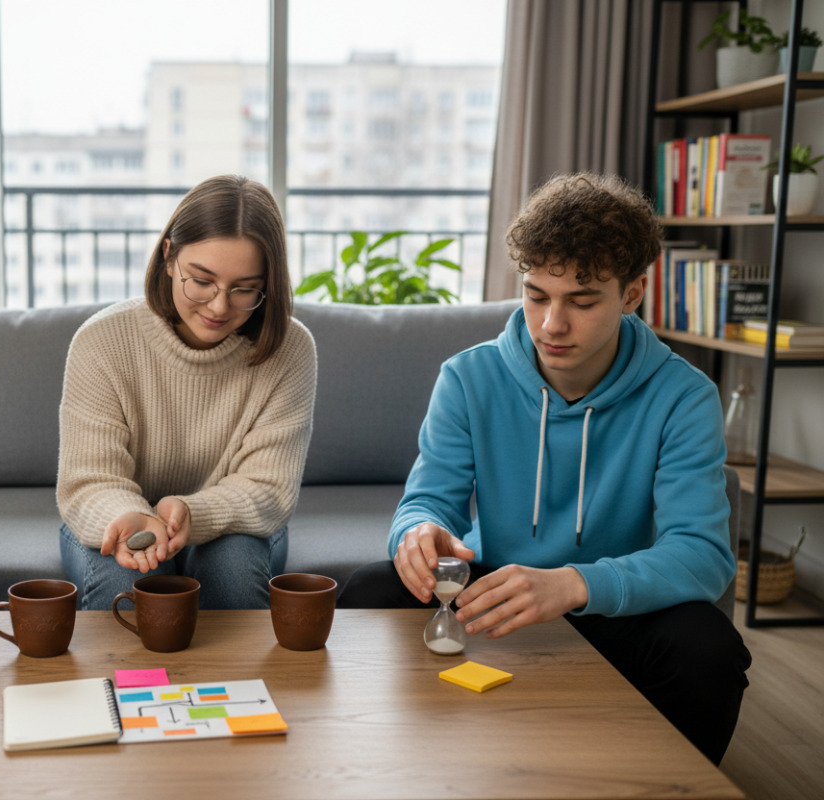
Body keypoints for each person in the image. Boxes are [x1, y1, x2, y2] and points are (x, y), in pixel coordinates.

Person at [337, 173, 751, 765]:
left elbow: (702, 554)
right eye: (536, 296)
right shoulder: (468, 377)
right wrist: (418, 534)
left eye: (582, 302)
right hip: (494, 593)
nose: (552, 324)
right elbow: (427, 501)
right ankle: (396, 763)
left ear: (632, 293)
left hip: (615, 604)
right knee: (369, 590)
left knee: (708, 650)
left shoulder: (684, 397)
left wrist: (575, 584)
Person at [57, 175, 317, 610]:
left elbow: (268, 487)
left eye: (245, 289)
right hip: (116, 513)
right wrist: (134, 517)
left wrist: (192, 513)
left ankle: (238, 663)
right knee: (125, 582)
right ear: (168, 256)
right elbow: (91, 480)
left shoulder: (290, 349)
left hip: (231, 523)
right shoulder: (101, 341)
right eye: (201, 280)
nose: (219, 306)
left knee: (233, 575)